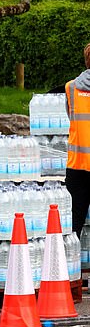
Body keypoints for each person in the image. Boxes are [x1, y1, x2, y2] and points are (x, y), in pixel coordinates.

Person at [65, 42, 90, 238]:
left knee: (74, 222)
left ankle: (71, 266)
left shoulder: (71, 87)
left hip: (77, 166)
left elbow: (70, 116)